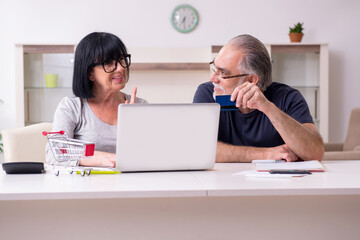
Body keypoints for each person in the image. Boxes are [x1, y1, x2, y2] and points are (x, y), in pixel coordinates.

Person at [193, 34, 324, 162]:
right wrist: (265, 154)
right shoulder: (207, 93)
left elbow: (315, 153)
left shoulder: (288, 97)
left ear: (251, 80)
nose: (212, 79)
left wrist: (268, 108)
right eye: (214, 68)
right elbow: (199, 148)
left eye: (222, 73)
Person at [46, 32, 147, 167]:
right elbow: (54, 154)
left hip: (130, 184)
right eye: (109, 63)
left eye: (122, 60)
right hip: (85, 185)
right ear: (90, 73)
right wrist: (101, 158)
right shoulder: (72, 107)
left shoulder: (140, 106)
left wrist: (135, 129)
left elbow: (151, 154)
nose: (121, 68)